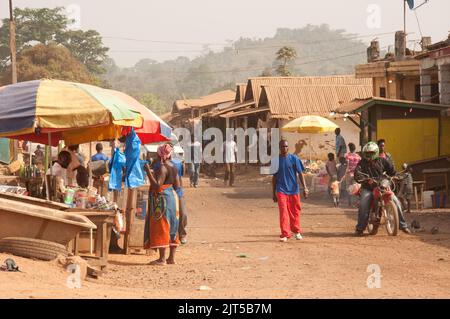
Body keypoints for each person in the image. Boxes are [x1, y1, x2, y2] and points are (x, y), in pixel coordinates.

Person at [353, 142, 411, 236]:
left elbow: (392, 171)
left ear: (376, 152)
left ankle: (403, 225)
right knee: (363, 204)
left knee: (396, 201)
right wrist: (365, 180)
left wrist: (396, 176)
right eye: (367, 153)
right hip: (368, 188)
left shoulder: (382, 161)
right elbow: (357, 173)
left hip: (382, 185)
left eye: (371, 153)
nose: (369, 155)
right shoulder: (361, 163)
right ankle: (360, 228)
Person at [143, 144, 181, 265]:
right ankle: (172, 258)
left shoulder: (162, 167)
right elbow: (178, 186)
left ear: (159, 155)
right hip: (172, 198)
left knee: (162, 226)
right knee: (173, 225)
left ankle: (162, 258)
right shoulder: (174, 167)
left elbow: (157, 185)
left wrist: (148, 172)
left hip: (162, 199)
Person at [272, 140, 309, 242]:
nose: (284, 148)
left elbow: (300, 173)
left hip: (293, 190)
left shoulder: (294, 159)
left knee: (295, 212)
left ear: (288, 147)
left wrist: (305, 188)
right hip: (281, 190)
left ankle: (296, 231)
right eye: (282, 147)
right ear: (279, 148)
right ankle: (285, 234)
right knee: (283, 212)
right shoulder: (276, 161)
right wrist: (273, 193)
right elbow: (274, 177)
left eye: (286, 146)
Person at [152, 147, 188, 245]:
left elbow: (179, 178)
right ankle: (168, 237)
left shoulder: (177, 164)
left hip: (177, 192)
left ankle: (182, 234)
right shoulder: (157, 165)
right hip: (163, 194)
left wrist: (180, 191)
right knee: (166, 216)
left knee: (182, 213)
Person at [345, 143, 361, 207]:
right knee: (356, 188)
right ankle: (356, 202)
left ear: (349, 148)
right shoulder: (358, 156)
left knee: (349, 188)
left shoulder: (347, 156)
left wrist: (346, 172)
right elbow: (360, 166)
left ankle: (349, 202)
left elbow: (347, 164)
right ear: (355, 148)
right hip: (356, 174)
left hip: (349, 174)